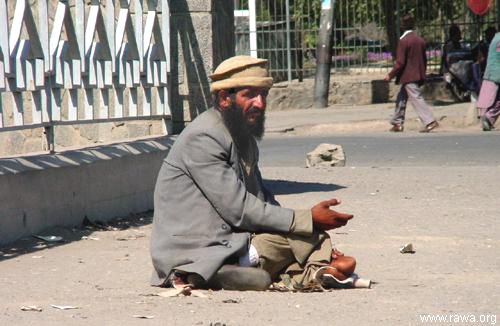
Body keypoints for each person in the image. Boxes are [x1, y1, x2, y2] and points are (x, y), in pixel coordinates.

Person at [150, 55, 357, 291]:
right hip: (195, 249)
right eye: (249, 95)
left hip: (231, 237)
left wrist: (308, 225)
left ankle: (317, 269)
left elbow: (261, 199)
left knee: (305, 233)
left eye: (264, 95)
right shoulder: (204, 137)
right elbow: (239, 210)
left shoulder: (242, 136)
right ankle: (204, 271)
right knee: (300, 234)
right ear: (224, 98)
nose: (259, 103)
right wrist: (307, 220)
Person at [384, 14, 439, 133]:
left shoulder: (404, 41)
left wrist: (390, 74)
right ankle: (397, 122)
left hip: (408, 76)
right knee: (401, 98)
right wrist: (422, 74)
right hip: (416, 75)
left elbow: (400, 62)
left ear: (402, 27)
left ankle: (429, 121)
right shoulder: (420, 40)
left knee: (416, 98)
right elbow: (424, 60)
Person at [477, 31, 500, 131]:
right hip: (496, 72)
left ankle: (488, 119)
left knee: (493, 98)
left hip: (491, 72)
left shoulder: (496, 37)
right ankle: (488, 117)